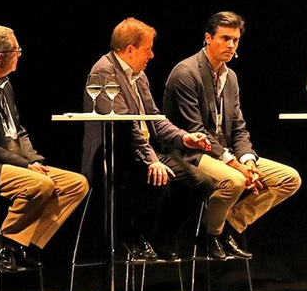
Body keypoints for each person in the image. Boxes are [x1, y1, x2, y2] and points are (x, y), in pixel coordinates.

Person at [0, 25, 89, 271]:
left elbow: (17, 130)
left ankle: (23, 244)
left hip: (12, 162)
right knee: (40, 184)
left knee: (77, 184)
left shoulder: (4, 84)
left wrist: (34, 159)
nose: (20, 54)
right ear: (1, 56)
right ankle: (4, 243)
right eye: (16, 50)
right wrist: (25, 165)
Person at [164, 12, 302, 260]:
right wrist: (236, 166)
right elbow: (195, 129)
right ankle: (209, 237)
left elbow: (238, 127)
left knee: (289, 179)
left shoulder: (231, 77)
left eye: (235, 40)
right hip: (192, 152)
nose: (231, 45)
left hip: (226, 154)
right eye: (225, 38)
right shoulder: (185, 73)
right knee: (235, 181)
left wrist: (247, 160)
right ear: (208, 38)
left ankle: (228, 225)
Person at [81, 17, 215, 259]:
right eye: (148, 49)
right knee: (157, 178)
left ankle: (159, 236)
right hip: (114, 156)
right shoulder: (104, 72)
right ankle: (131, 236)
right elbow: (126, 126)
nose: (152, 55)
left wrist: (185, 138)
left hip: (142, 152)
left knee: (201, 182)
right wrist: (151, 159)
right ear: (130, 49)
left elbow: (154, 118)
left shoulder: (138, 75)